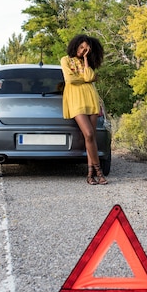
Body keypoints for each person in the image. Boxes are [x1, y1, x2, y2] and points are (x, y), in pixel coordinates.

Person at [60, 34, 108, 185]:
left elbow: (89, 76)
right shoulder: (65, 60)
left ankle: (90, 175)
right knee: (87, 134)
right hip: (76, 101)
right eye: (81, 48)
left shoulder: (88, 63)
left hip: (91, 99)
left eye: (86, 50)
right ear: (75, 45)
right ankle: (98, 171)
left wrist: (86, 60)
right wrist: (85, 79)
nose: (82, 51)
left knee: (91, 137)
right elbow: (70, 79)